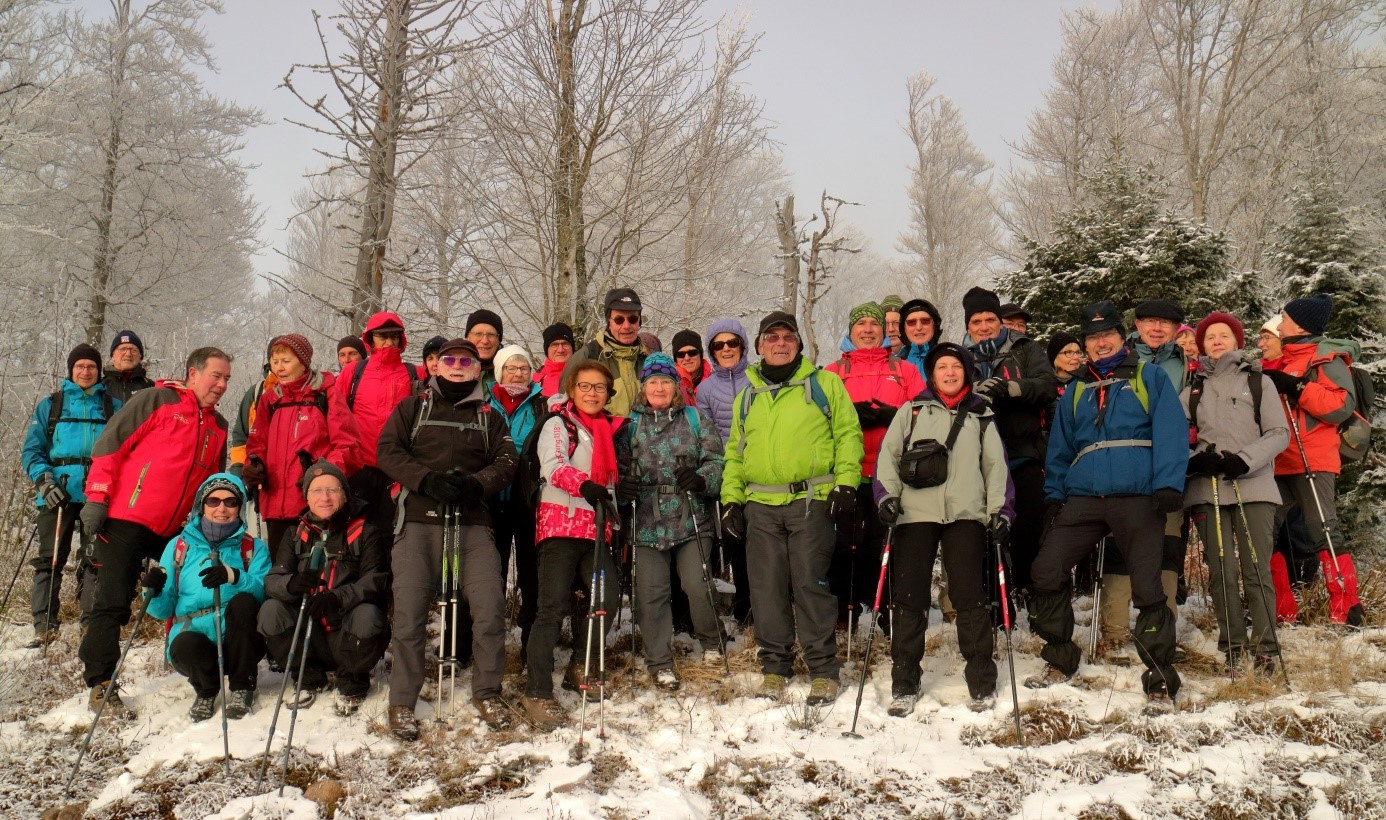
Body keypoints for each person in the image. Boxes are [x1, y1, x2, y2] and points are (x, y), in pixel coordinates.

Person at [1026, 301, 1185, 711]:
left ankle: (1159, 678)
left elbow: (1171, 432)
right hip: (1083, 497)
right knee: (1046, 570)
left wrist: (1168, 483)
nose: (1100, 343)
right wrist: (1054, 498)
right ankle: (1061, 658)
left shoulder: (1149, 377)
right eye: (1093, 338)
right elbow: (1060, 449)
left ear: (1121, 337)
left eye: (1107, 335)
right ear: (1085, 344)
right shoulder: (1076, 390)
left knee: (1148, 586)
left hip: (1137, 496)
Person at [376, 338, 518, 738]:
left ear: (477, 369)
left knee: (490, 607)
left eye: (466, 361)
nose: (458, 366)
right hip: (420, 520)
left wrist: (476, 485)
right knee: (409, 614)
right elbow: (387, 450)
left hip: (472, 522)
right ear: (437, 366)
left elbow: (507, 462)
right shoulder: (413, 408)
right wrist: (426, 480)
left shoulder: (490, 415)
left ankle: (488, 691)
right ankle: (402, 701)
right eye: (450, 360)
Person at [79, 347, 232, 716]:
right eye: (216, 375)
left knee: (195, 593)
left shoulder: (219, 426)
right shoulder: (156, 400)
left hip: (176, 529)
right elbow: (110, 444)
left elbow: (211, 484)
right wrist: (97, 496)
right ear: (193, 373)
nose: (222, 384)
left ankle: (196, 667)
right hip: (127, 517)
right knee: (113, 601)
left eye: (227, 378)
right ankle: (101, 682)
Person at [720, 311, 863, 705]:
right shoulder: (747, 394)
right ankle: (775, 668)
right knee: (766, 589)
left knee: (809, 584)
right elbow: (735, 452)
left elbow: (848, 434)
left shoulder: (825, 384)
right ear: (761, 345)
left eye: (788, 337)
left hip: (810, 501)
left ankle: (823, 671)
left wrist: (846, 483)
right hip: (760, 504)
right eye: (772, 337)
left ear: (798, 344)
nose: (780, 343)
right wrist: (731, 498)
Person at [876, 342, 1010, 715]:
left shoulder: (981, 415)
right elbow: (888, 458)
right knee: (908, 598)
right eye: (942, 367)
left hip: (966, 514)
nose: (949, 373)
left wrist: (999, 511)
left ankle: (981, 682)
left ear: (967, 373)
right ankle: (904, 682)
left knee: (969, 596)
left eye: (956, 367)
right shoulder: (912, 411)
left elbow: (995, 468)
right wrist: (887, 498)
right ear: (931, 374)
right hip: (914, 516)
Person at [1180, 312, 1288, 674]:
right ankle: (1234, 647)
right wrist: (1195, 460)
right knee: (1221, 572)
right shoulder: (1192, 389)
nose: (1216, 340)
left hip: (1253, 485)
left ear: (1237, 341)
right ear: (1201, 344)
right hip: (1207, 489)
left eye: (1224, 334)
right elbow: (1174, 436)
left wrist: (1244, 460)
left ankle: (1266, 648)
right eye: (1209, 336)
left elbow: (1278, 432)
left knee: (1257, 568)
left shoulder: (1258, 383)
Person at [521, 360, 624, 730]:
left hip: (596, 529)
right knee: (551, 608)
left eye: (599, 387)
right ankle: (537, 691)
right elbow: (553, 465)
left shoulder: (606, 430)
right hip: (560, 525)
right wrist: (586, 486)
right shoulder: (557, 424)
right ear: (572, 388)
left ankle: (581, 665)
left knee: (606, 598)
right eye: (585, 386)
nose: (592, 393)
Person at [616, 353, 724, 690]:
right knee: (651, 592)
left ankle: (712, 643)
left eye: (666, 381)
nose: (659, 387)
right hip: (646, 516)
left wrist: (701, 478)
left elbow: (717, 460)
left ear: (676, 387)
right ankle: (660, 661)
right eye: (653, 382)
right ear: (643, 386)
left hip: (689, 511)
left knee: (697, 582)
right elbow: (613, 469)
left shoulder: (694, 419)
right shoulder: (628, 425)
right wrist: (623, 487)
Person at [1096, 299, 1191, 663]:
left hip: (1168, 466)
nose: (1157, 328)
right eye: (1150, 321)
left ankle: (1161, 632)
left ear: (1175, 329)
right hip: (1125, 468)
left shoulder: (1183, 364)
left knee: (1167, 549)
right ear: (1137, 324)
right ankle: (1115, 632)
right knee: (1121, 548)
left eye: (1165, 323)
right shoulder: (1117, 360)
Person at [1263, 294, 1365, 627]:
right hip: (1278, 460)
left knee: (1323, 529)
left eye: (1286, 317)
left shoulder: (1326, 358)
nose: (1281, 322)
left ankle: (1347, 607)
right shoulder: (1284, 356)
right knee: (1269, 533)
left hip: (1312, 458)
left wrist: (1297, 387)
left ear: (1303, 324)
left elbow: (1340, 406)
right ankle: (1280, 608)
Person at [257, 461, 389, 715]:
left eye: (332, 490)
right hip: (309, 634)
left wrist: (338, 598)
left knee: (368, 616)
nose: (324, 498)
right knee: (271, 611)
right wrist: (291, 584)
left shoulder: (365, 531)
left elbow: (376, 580)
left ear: (345, 494)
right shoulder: (296, 534)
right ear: (307, 497)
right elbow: (273, 580)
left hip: (347, 631)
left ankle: (352, 680)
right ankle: (308, 677)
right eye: (316, 491)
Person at [825, 302, 925, 626]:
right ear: (850, 331)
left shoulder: (905, 371)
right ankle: (844, 610)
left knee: (884, 545)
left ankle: (885, 610)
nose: (867, 329)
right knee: (843, 545)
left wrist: (892, 416)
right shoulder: (832, 373)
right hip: (848, 471)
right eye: (861, 324)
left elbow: (925, 413)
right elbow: (818, 419)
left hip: (890, 473)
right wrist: (847, 414)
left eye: (873, 324)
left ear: (884, 331)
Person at [141, 473, 269, 720]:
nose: (222, 508)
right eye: (214, 501)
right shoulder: (179, 547)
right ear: (202, 505)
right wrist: (151, 592)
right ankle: (207, 690)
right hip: (194, 636)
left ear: (240, 507)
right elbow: (163, 609)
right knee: (185, 645)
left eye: (231, 502)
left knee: (244, 602)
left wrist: (235, 576)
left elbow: (264, 592)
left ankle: (243, 687)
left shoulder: (252, 547)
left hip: (239, 641)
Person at [963, 286, 1056, 598]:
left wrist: (1010, 388)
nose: (984, 326)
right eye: (977, 322)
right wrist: (975, 393)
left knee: (1028, 527)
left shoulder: (1026, 349)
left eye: (990, 318)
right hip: (976, 460)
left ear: (1000, 321)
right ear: (968, 327)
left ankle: (1030, 590)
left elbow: (1046, 386)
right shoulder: (960, 358)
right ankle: (996, 599)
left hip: (1023, 453)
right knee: (985, 533)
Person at [21, 343, 117, 645]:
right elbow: (32, 451)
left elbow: (126, 450)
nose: (85, 371)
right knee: (50, 558)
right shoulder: (51, 405)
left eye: (91, 366)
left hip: (98, 494)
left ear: (99, 371)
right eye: (80, 366)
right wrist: (44, 480)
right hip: (56, 491)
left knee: (95, 559)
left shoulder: (112, 407)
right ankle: (44, 625)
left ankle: (90, 623)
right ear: (71, 370)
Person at [242, 334, 363, 552]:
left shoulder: (325, 395)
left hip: (316, 504)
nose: (279, 368)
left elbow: (348, 446)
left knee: (315, 569)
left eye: (286, 361)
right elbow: (256, 443)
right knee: (280, 570)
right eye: (275, 362)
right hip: (274, 504)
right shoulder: (270, 399)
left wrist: (319, 474)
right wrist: (254, 465)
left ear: (303, 361)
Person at [335, 312, 423, 537]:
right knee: (355, 532)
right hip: (360, 466)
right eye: (382, 336)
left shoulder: (413, 374)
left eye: (394, 336)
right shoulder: (353, 372)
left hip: (397, 466)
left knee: (391, 532)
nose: (389, 342)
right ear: (370, 339)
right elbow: (336, 416)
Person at [489, 343, 548, 649]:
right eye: (511, 367)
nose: (518, 373)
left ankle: (531, 643)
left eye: (524, 368)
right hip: (491, 502)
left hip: (529, 503)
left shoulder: (543, 405)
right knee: (490, 576)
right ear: (500, 371)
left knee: (532, 577)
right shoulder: (484, 403)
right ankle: (488, 642)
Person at [695, 318, 753, 623]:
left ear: (742, 345)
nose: (726, 349)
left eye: (732, 343)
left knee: (760, 540)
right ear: (712, 351)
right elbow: (707, 433)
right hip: (727, 472)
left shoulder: (757, 380)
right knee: (734, 540)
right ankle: (742, 606)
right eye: (719, 345)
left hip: (758, 471)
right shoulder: (705, 390)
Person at [561, 288, 650, 416]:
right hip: (600, 434)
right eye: (619, 320)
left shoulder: (648, 360)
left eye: (632, 319)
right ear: (609, 322)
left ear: (639, 322)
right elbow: (565, 407)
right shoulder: (588, 356)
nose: (626, 326)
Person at [102, 330, 155, 405]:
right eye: (123, 349)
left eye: (134, 350)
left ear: (140, 356)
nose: (128, 354)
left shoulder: (150, 387)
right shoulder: (100, 386)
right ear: (112, 355)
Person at [892, 298, 943, 376]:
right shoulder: (893, 365)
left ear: (934, 325)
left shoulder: (948, 359)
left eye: (925, 321)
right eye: (911, 322)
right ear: (904, 329)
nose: (919, 327)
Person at [534, 322, 576, 398]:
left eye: (565, 344)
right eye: (554, 345)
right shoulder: (535, 381)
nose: (560, 350)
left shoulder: (585, 375)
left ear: (572, 348)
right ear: (547, 350)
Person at [466, 309, 505, 388]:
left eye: (491, 335)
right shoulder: (452, 366)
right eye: (478, 334)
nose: (485, 341)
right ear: (467, 337)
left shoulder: (511, 371)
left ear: (498, 340)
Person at [671, 328, 710, 405]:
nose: (687, 358)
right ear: (676, 359)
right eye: (681, 354)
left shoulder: (714, 383)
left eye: (692, 352)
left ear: (700, 355)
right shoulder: (669, 386)